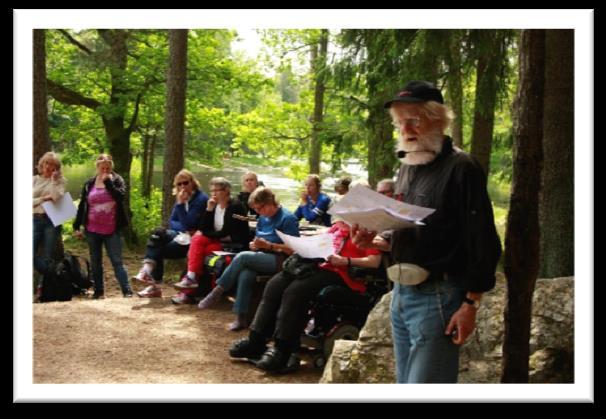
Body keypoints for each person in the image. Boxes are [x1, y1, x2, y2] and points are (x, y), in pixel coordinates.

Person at [351, 80, 502, 383]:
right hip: (400, 294)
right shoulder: (408, 165)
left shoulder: (463, 167)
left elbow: (483, 241)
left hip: (440, 297)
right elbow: (413, 226)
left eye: (414, 119)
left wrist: (471, 304)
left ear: (439, 118)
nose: (406, 128)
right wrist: (377, 237)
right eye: (400, 121)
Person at [227, 215, 382, 372]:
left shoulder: (367, 231)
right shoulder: (338, 227)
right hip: (321, 266)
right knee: (275, 284)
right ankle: (256, 340)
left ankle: (283, 349)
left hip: (344, 273)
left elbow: (374, 261)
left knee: (296, 291)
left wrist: (345, 261)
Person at [197, 187, 299, 331]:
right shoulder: (263, 218)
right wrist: (255, 245)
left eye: (259, 208)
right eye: (255, 209)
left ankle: (218, 291)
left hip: (281, 260)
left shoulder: (287, 218)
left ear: (269, 203)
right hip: (263, 255)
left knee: (242, 257)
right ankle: (241, 318)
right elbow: (258, 238)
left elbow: (293, 250)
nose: (257, 212)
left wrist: (269, 246)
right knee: (246, 273)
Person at [171, 177, 250, 305]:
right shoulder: (213, 205)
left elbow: (224, 232)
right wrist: (208, 210)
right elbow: (203, 227)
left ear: (227, 191)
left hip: (232, 246)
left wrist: (206, 233)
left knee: (198, 245)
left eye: (217, 191)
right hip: (218, 241)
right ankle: (191, 285)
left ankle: (189, 288)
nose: (213, 194)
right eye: (212, 191)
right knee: (199, 247)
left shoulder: (236, 207)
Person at [133, 169, 208, 298]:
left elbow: (190, 223)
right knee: (157, 234)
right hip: (180, 234)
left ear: (193, 183)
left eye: (185, 183)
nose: (183, 187)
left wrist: (180, 205)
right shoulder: (180, 198)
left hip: (194, 240)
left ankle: (154, 286)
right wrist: (183, 227)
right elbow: (172, 221)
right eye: (179, 184)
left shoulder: (200, 199)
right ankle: (146, 270)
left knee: (158, 249)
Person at [73, 154, 133, 298]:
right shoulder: (89, 183)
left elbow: (120, 197)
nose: (105, 170)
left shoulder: (117, 180)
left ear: (111, 167)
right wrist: (76, 226)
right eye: (102, 167)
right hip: (92, 229)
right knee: (95, 262)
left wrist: (108, 183)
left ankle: (127, 291)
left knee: (117, 261)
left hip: (112, 229)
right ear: (97, 167)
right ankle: (98, 292)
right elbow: (82, 205)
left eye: (108, 167)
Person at [33, 152, 66, 279]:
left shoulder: (60, 181)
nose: (48, 166)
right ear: (42, 163)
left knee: (48, 257)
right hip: (34, 219)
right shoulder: (34, 179)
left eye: (52, 164)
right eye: (46, 163)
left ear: (56, 168)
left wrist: (53, 181)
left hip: (52, 220)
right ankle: (56, 274)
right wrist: (43, 199)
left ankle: (45, 289)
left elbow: (56, 197)